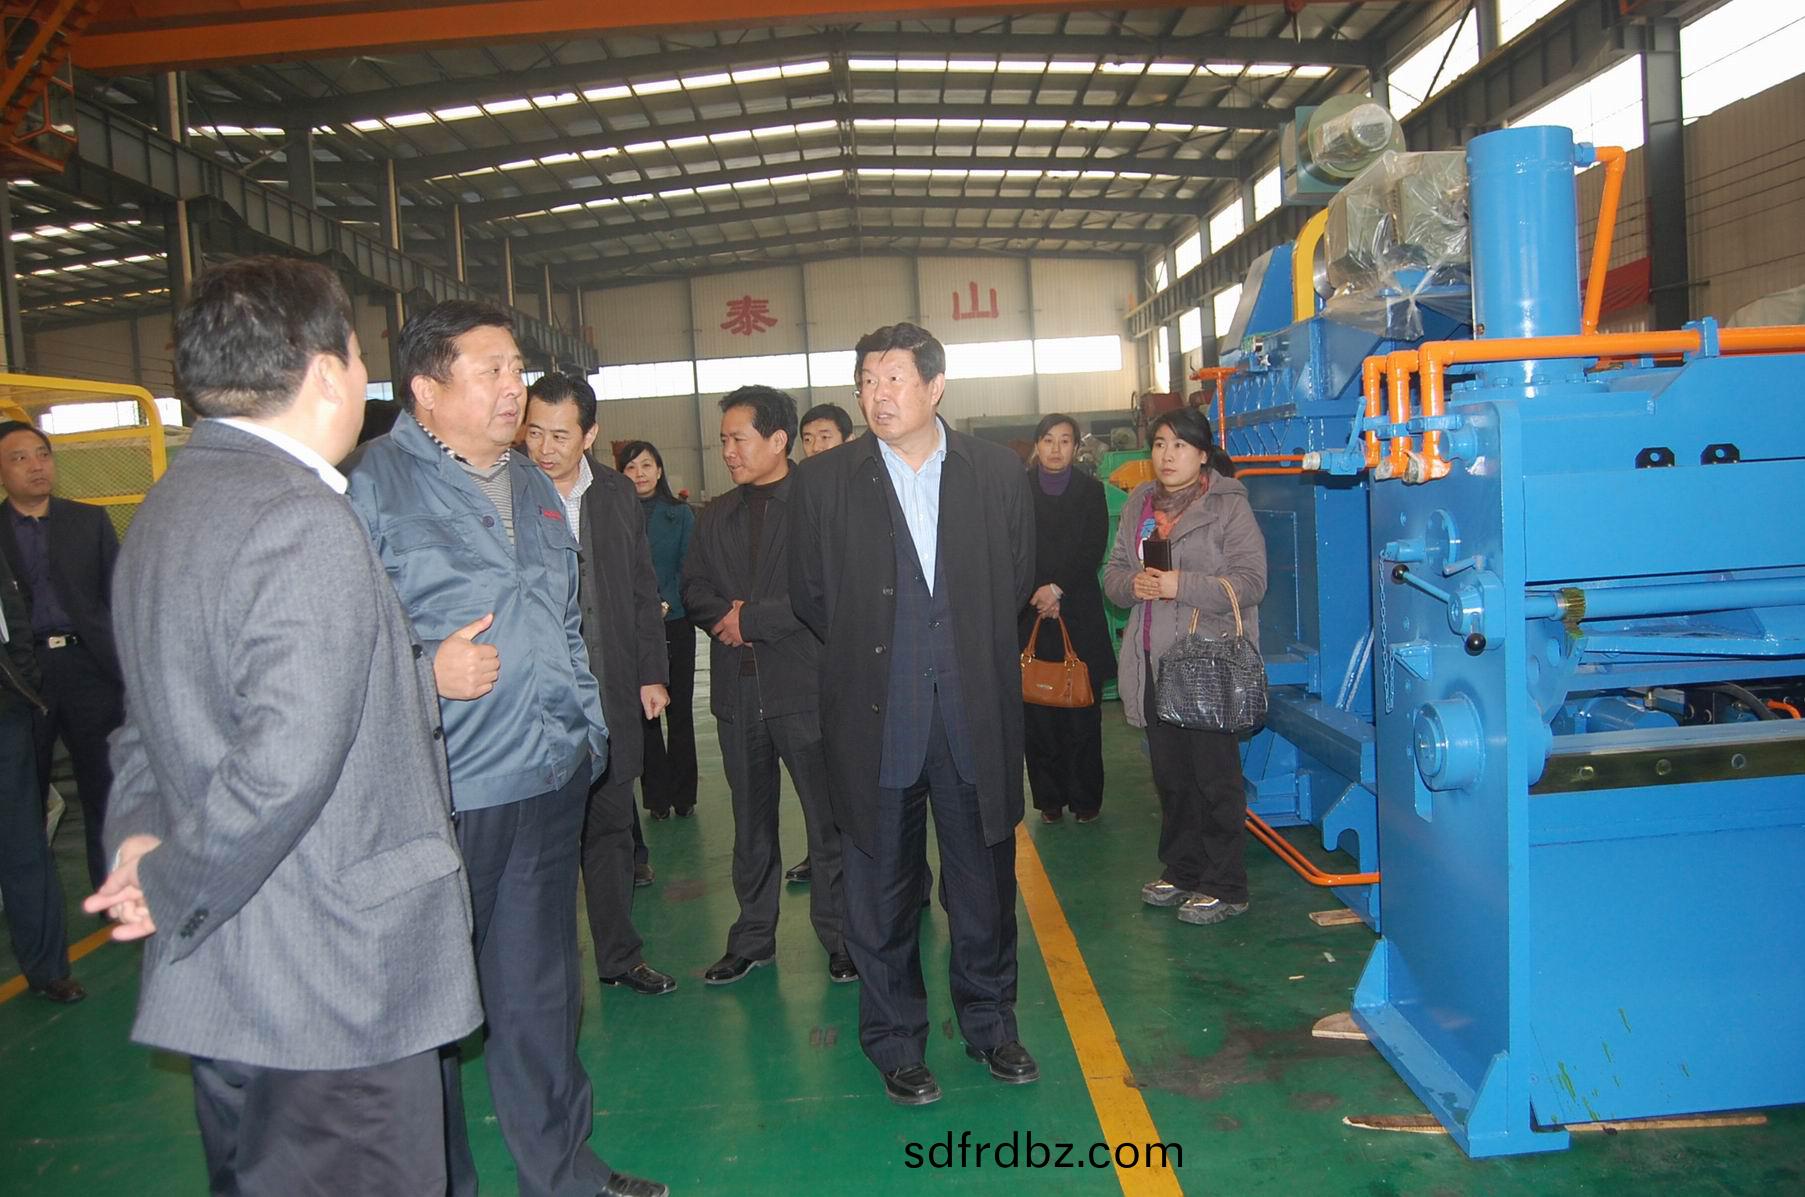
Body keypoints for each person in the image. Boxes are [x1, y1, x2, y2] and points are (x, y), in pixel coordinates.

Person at [84, 256, 481, 1190]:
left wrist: (138, 840)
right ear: (327, 371)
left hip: (236, 983)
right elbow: (285, 762)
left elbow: (147, 720)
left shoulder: (169, 508)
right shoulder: (299, 518)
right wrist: (170, 880)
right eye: (359, 356)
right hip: (332, 988)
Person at [347, 300, 665, 1197]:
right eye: (488, 369)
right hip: (447, 789)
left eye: (514, 368)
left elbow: (563, 618)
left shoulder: (530, 482)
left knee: (540, 993)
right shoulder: (373, 486)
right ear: (425, 387)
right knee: (431, 1011)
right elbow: (336, 643)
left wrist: (587, 728)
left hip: (548, 773)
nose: (511, 386)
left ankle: (562, 1172)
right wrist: (425, 672)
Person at [789, 321, 1037, 1106]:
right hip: (877, 715)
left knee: (982, 888)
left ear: (934, 386)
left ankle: (992, 1026)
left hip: (972, 713)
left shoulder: (995, 472)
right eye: (867, 380)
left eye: (893, 378)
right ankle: (896, 1042)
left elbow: (1015, 578)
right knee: (880, 893)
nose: (877, 394)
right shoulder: (824, 482)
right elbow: (812, 596)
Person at [682, 385, 852, 986]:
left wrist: (751, 619)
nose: (728, 451)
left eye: (739, 438)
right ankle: (753, 938)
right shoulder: (715, 515)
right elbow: (693, 587)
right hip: (738, 691)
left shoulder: (819, 505)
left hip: (804, 688)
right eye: (723, 440)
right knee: (750, 825)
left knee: (826, 822)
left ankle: (842, 936)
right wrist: (724, 618)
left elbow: (831, 589)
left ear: (778, 440)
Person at [523, 374, 676, 997]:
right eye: (534, 432)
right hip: (534, 697)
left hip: (608, 689)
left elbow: (641, 589)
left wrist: (651, 673)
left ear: (590, 435)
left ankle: (619, 956)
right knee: (540, 843)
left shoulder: (615, 494)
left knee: (611, 829)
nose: (544, 448)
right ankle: (541, 973)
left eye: (560, 435)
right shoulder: (506, 488)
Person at [1102, 406, 1266, 926]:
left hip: (1207, 664)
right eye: (1159, 444)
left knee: (1215, 779)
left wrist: (1181, 585)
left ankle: (1226, 884)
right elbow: (1113, 574)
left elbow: (1251, 582)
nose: (1166, 455)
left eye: (1179, 445)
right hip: (1154, 659)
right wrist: (1132, 585)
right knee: (1171, 776)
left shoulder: (1228, 506)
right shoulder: (1139, 504)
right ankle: (1183, 870)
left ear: (1202, 454)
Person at [0, 421, 125, 890]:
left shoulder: (88, 522)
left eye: (42, 454)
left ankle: (113, 894)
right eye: (19, 458)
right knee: (22, 797)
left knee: (105, 790)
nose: (36, 466)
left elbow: (116, 597)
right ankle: (33, 904)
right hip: (22, 678)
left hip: (88, 669)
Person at [1019, 413, 1115, 824]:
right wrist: (1039, 593)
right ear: (1037, 445)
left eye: (1064, 441)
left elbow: (1093, 547)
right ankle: (1050, 800)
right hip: (1031, 614)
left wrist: (1057, 589)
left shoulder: (1092, 492)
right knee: (1038, 714)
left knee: (1082, 714)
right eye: (1048, 440)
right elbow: (1012, 546)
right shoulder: (1018, 491)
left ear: (1076, 448)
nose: (1056, 448)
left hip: (1079, 614)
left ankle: (1085, 799)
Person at [0, 547, 83, 1005]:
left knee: (23, 846)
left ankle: (48, 970)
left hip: (5, 714)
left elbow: (13, 616)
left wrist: (23, 684)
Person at [783, 400, 854, 886]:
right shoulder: (799, 494)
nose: (814, 447)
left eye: (825, 437)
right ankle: (824, 849)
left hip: (866, 654)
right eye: (807, 439)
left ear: (847, 440)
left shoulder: (869, 491)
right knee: (819, 767)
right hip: (815, 652)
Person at [618, 441, 698, 821]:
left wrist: (665, 603)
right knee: (645, 717)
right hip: (633, 629)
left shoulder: (680, 515)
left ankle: (684, 795)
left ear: (660, 470)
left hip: (676, 623)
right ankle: (657, 798)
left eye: (647, 465)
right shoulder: (614, 515)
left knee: (679, 712)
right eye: (631, 467)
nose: (640, 474)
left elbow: (689, 567)